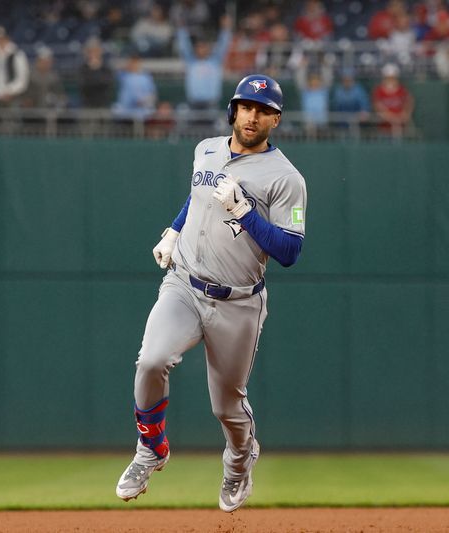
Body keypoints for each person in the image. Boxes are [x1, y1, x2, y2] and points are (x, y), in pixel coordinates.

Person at [115, 74, 307, 512]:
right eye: (245, 106)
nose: (252, 115)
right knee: (151, 360)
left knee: (227, 407)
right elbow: (197, 197)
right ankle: (152, 448)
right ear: (234, 110)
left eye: (262, 110)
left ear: (275, 119)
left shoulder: (287, 178)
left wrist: (245, 211)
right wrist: (173, 229)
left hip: (238, 301)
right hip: (184, 282)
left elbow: (291, 250)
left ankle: (240, 461)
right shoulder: (206, 148)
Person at [372, 62, 414, 136]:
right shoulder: (379, 91)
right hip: (384, 129)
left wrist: (405, 115)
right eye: (388, 77)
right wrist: (393, 118)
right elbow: (379, 108)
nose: (390, 80)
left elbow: (409, 103)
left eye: (392, 77)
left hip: (401, 128)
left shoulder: (402, 90)